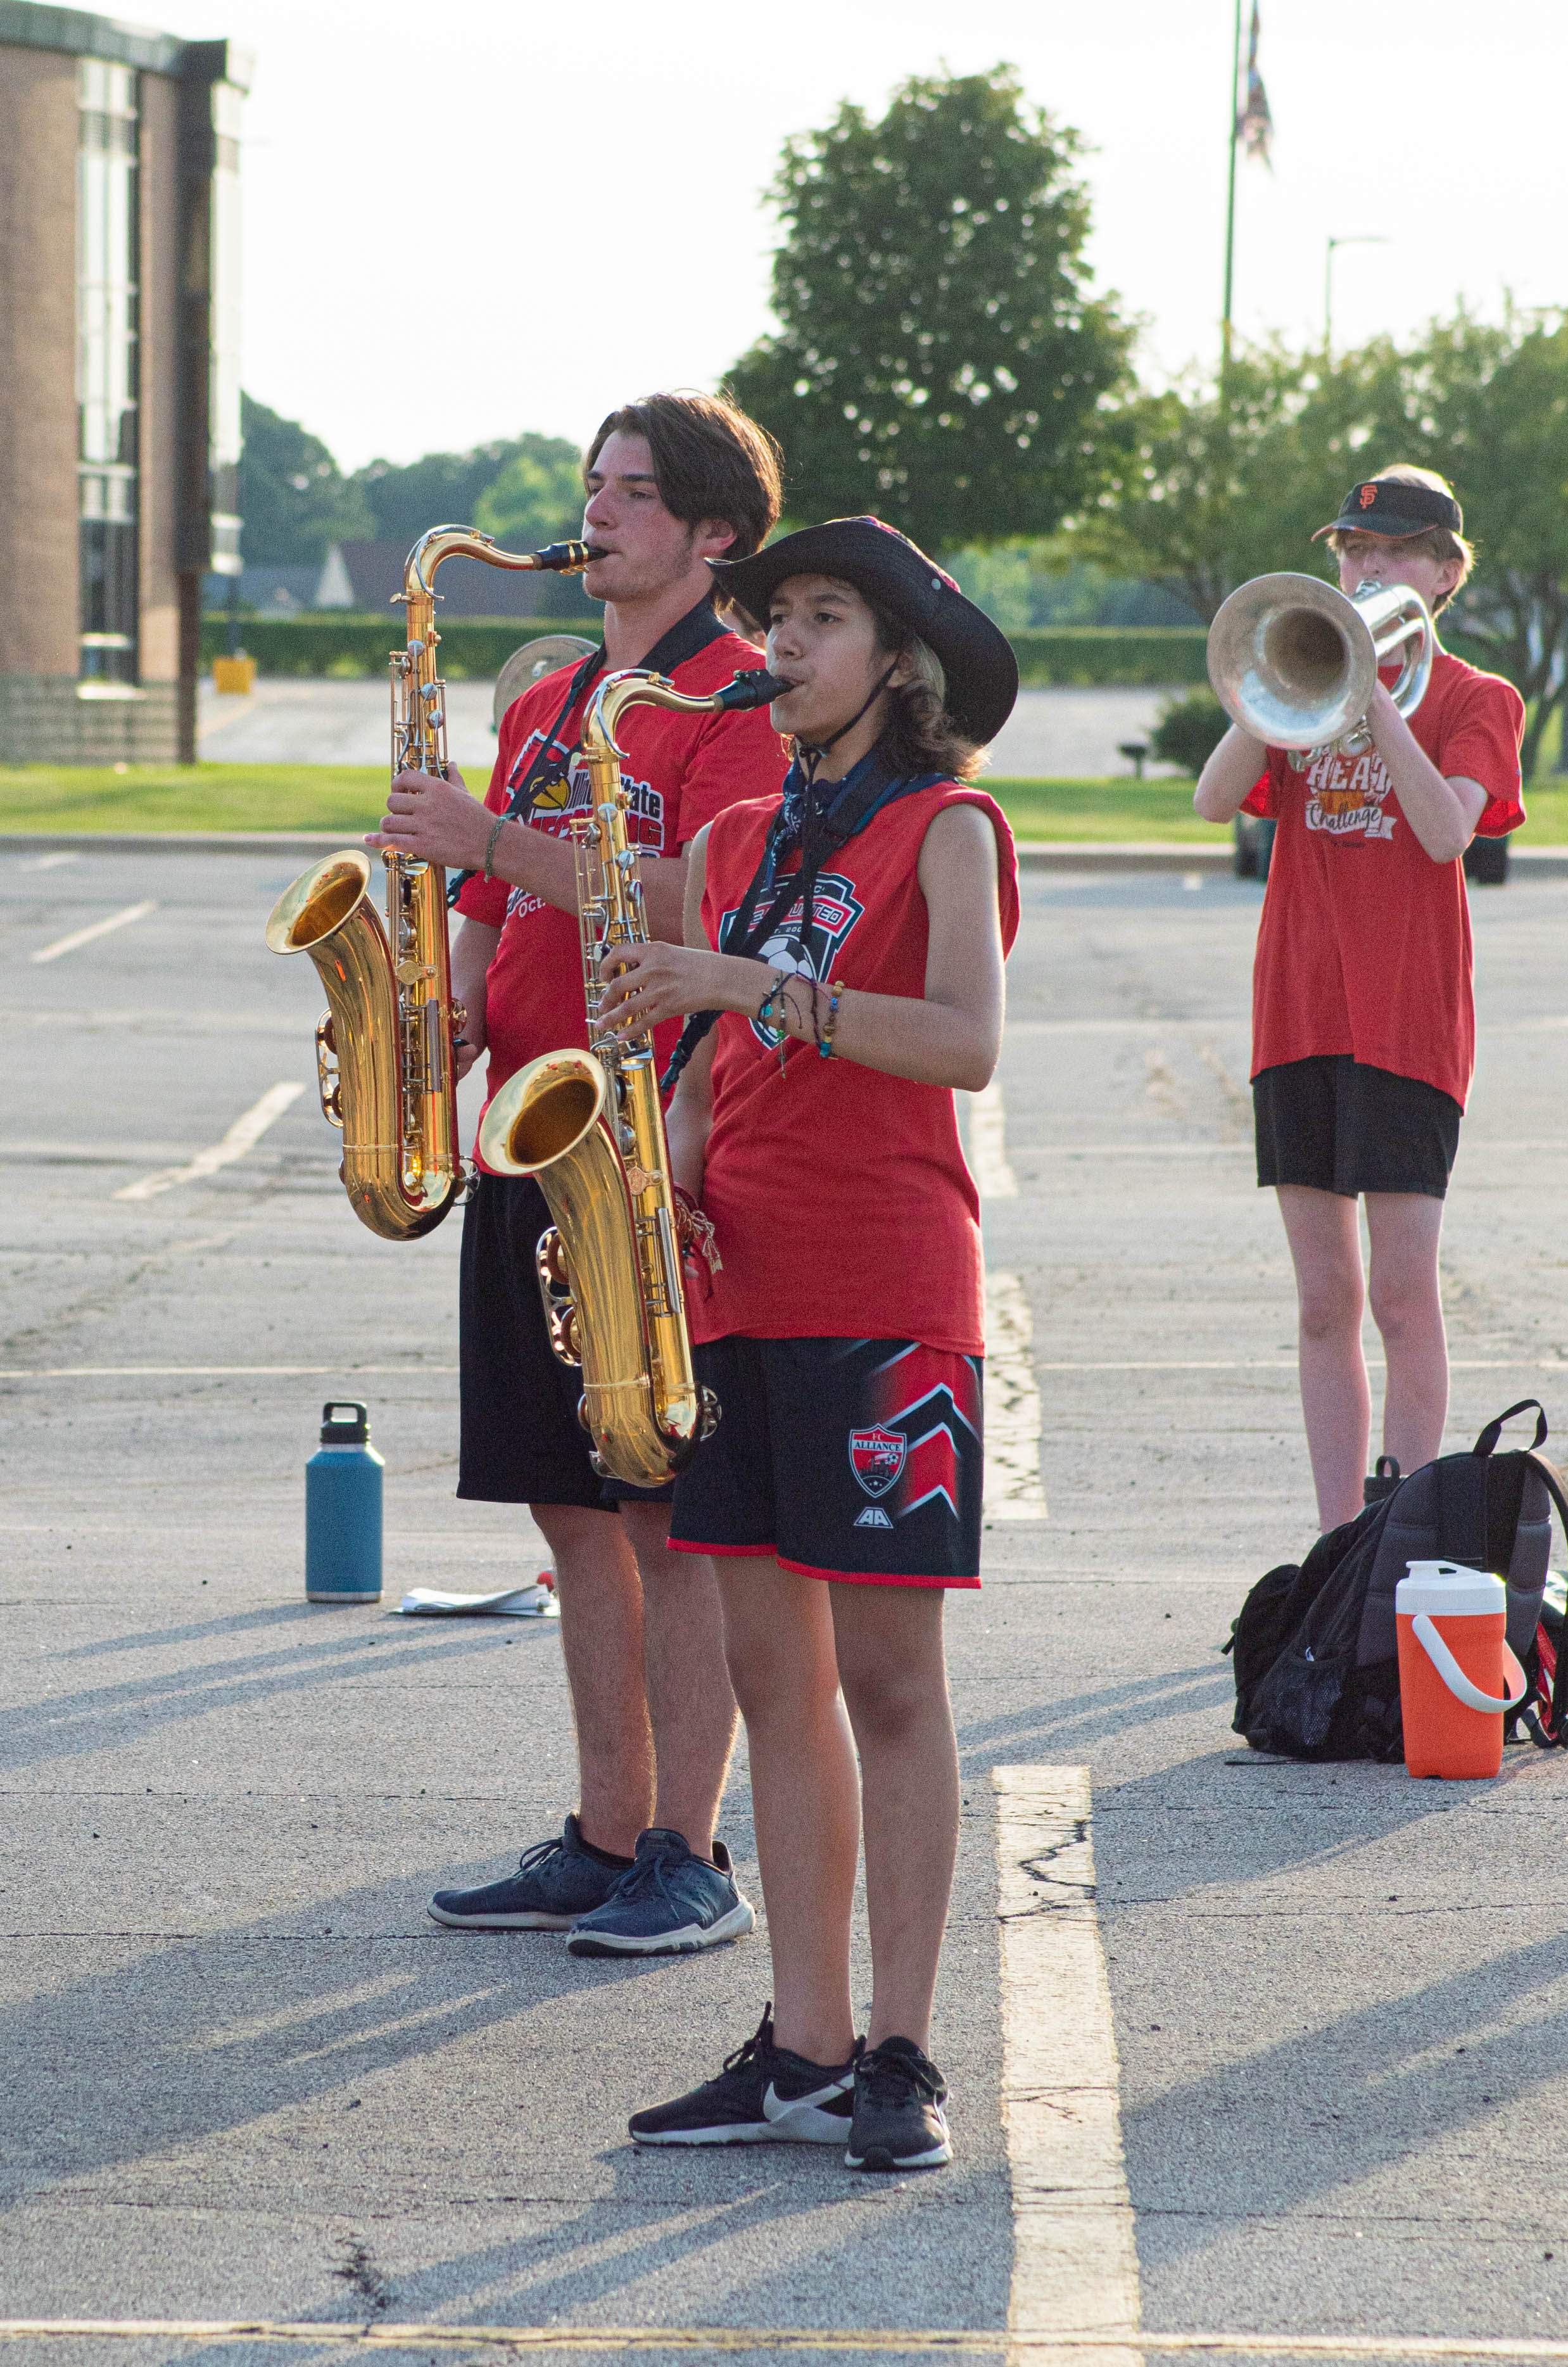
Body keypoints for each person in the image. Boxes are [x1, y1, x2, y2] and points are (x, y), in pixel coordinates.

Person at [587, 516, 1020, 2171]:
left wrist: (740, 983)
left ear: (898, 662)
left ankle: (899, 2050)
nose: (779, 642)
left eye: (821, 617)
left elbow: (965, 1042)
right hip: (739, 1288)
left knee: (890, 1684)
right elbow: (709, 1083)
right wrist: (654, 1198)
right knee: (775, 1683)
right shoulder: (742, 836)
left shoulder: (948, 825)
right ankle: (803, 2045)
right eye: (774, 616)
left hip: (886, 1287)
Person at [367, 392, 788, 1955]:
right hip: (525, 1134)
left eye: (632, 493)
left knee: (664, 1512)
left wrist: (487, 841)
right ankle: (609, 1831)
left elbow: (704, 900)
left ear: (713, 533)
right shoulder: (551, 700)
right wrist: (436, 1023)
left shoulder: (740, 700)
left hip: (650, 1142)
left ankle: (691, 1849)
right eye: (592, 485)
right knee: (568, 1510)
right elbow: (494, 924)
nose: (594, 514)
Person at [1194, 465, 1526, 1532]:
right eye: (1352, 549)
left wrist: (1373, 696)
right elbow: (1211, 800)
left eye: (1392, 551)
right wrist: (1281, 688)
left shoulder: (1476, 698)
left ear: (1444, 572)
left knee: (1399, 1293)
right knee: (1323, 1298)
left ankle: (1403, 1527)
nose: (1367, 566)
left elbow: (1446, 831)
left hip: (1407, 1022)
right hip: (1298, 1012)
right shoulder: (1304, 696)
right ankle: (1338, 1538)